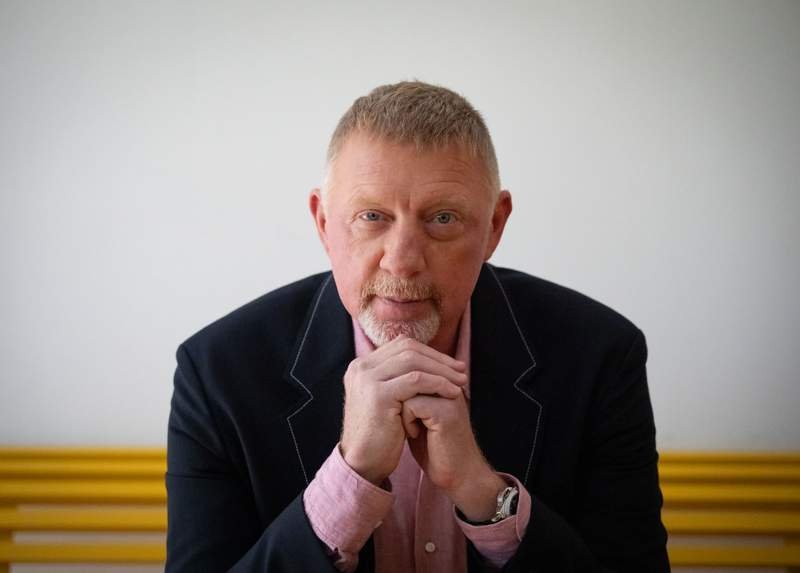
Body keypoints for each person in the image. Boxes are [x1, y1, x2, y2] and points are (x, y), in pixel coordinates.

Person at [166, 81, 670, 572]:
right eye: (371, 216)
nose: (403, 262)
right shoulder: (217, 372)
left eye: (443, 219)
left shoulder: (601, 356)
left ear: (494, 226)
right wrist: (349, 480)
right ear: (323, 223)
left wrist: (483, 493)